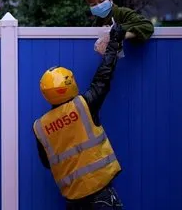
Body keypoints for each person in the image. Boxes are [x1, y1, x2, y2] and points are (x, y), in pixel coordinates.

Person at [33, 22, 126, 209]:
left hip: (74, 201)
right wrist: (114, 42)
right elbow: (103, 78)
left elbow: (46, 162)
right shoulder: (83, 105)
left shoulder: (40, 127)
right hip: (101, 194)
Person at [83, 0, 154, 43]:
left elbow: (147, 26)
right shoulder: (97, 22)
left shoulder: (123, 13)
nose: (99, 6)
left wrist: (124, 34)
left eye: (101, 1)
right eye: (93, 4)